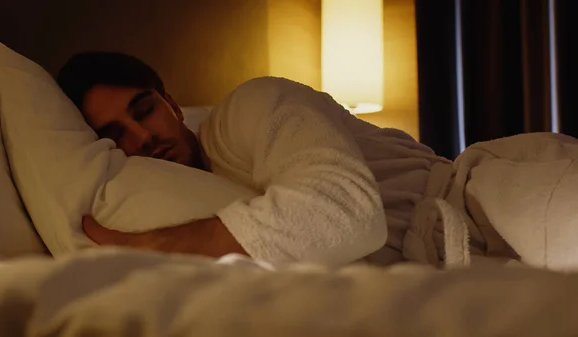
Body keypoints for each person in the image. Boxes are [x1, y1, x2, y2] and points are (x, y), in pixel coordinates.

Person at [57, 52, 578, 269]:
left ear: (171, 104)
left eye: (143, 110)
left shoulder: (251, 107)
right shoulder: (191, 190)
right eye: (116, 135)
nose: (142, 138)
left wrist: (151, 246)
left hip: (483, 195)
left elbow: (344, 213)